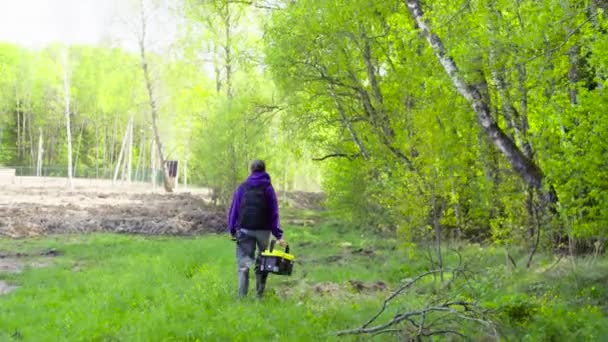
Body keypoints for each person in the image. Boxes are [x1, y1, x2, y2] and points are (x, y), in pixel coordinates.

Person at [228, 160, 286, 298]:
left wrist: (232, 229)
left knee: (243, 264)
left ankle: (242, 296)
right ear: (264, 170)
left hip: (244, 230)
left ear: (251, 170)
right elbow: (274, 212)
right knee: (263, 262)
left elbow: (234, 209)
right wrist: (278, 235)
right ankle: (259, 296)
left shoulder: (243, 187)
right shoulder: (268, 188)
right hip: (264, 232)